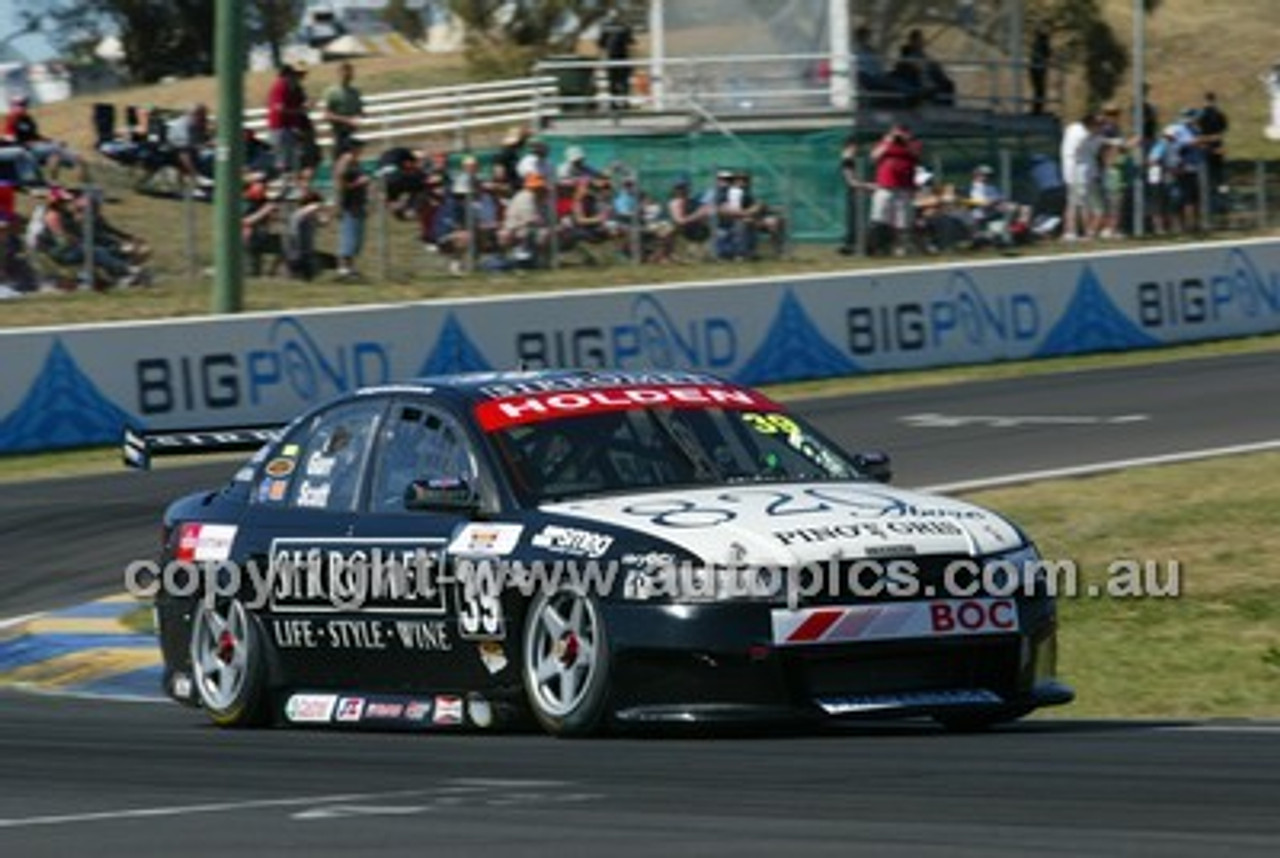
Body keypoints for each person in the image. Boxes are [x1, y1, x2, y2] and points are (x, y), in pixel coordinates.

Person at [870, 123, 921, 255]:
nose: (898, 135)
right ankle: (880, 246)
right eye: (896, 132)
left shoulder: (913, 144)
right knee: (880, 217)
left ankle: (900, 247)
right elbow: (874, 156)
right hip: (885, 186)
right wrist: (888, 142)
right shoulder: (884, 143)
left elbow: (916, 154)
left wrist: (905, 141)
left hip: (904, 188)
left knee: (902, 220)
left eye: (902, 132)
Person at [1060, 112, 1103, 240]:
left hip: (1084, 171)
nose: (1099, 127)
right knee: (1075, 203)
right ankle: (1071, 231)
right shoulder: (1080, 134)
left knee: (1080, 203)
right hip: (1075, 172)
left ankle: (1082, 231)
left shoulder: (1084, 133)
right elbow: (1075, 151)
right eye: (1097, 125)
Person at [333, 137, 370, 279]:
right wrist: (359, 183)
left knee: (357, 237)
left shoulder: (355, 162)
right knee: (349, 235)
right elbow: (341, 185)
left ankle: (350, 267)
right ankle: (344, 267)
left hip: (358, 202)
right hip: (349, 204)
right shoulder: (345, 162)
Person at [323, 61, 364, 160]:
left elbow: (360, 111)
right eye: (344, 72)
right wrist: (346, 120)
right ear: (339, 73)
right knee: (344, 159)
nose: (347, 75)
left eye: (349, 72)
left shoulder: (355, 92)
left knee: (353, 157)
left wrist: (359, 116)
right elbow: (327, 115)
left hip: (353, 132)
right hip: (339, 133)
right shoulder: (332, 92)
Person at [1197, 92, 1229, 210]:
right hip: (1216, 149)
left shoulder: (1202, 115)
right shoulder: (1219, 114)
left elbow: (1199, 134)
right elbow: (1222, 132)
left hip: (1207, 150)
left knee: (1212, 178)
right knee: (1219, 178)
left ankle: (1216, 202)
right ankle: (1220, 200)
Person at [838, 134, 869, 255]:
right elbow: (851, 181)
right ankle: (850, 244)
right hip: (854, 193)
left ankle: (857, 243)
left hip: (860, 192)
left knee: (859, 219)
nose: (858, 149)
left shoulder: (855, 158)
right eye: (856, 146)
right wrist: (868, 186)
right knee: (853, 218)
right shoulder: (847, 159)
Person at [598, 9, 635, 110]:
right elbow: (631, 42)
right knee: (623, 81)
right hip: (623, 58)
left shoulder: (605, 28)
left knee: (612, 81)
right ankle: (624, 102)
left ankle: (613, 103)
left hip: (611, 59)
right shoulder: (625, 27)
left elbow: (601, 44)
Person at [1029, 25, 1051, 115]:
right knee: (1040, 90)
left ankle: (1037, 109)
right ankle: (1037, 110)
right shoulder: (1042, 42)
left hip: (1035, 67)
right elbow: (1048, 54)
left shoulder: (1037, 42)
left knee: (1038, 90)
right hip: (1038, 68)